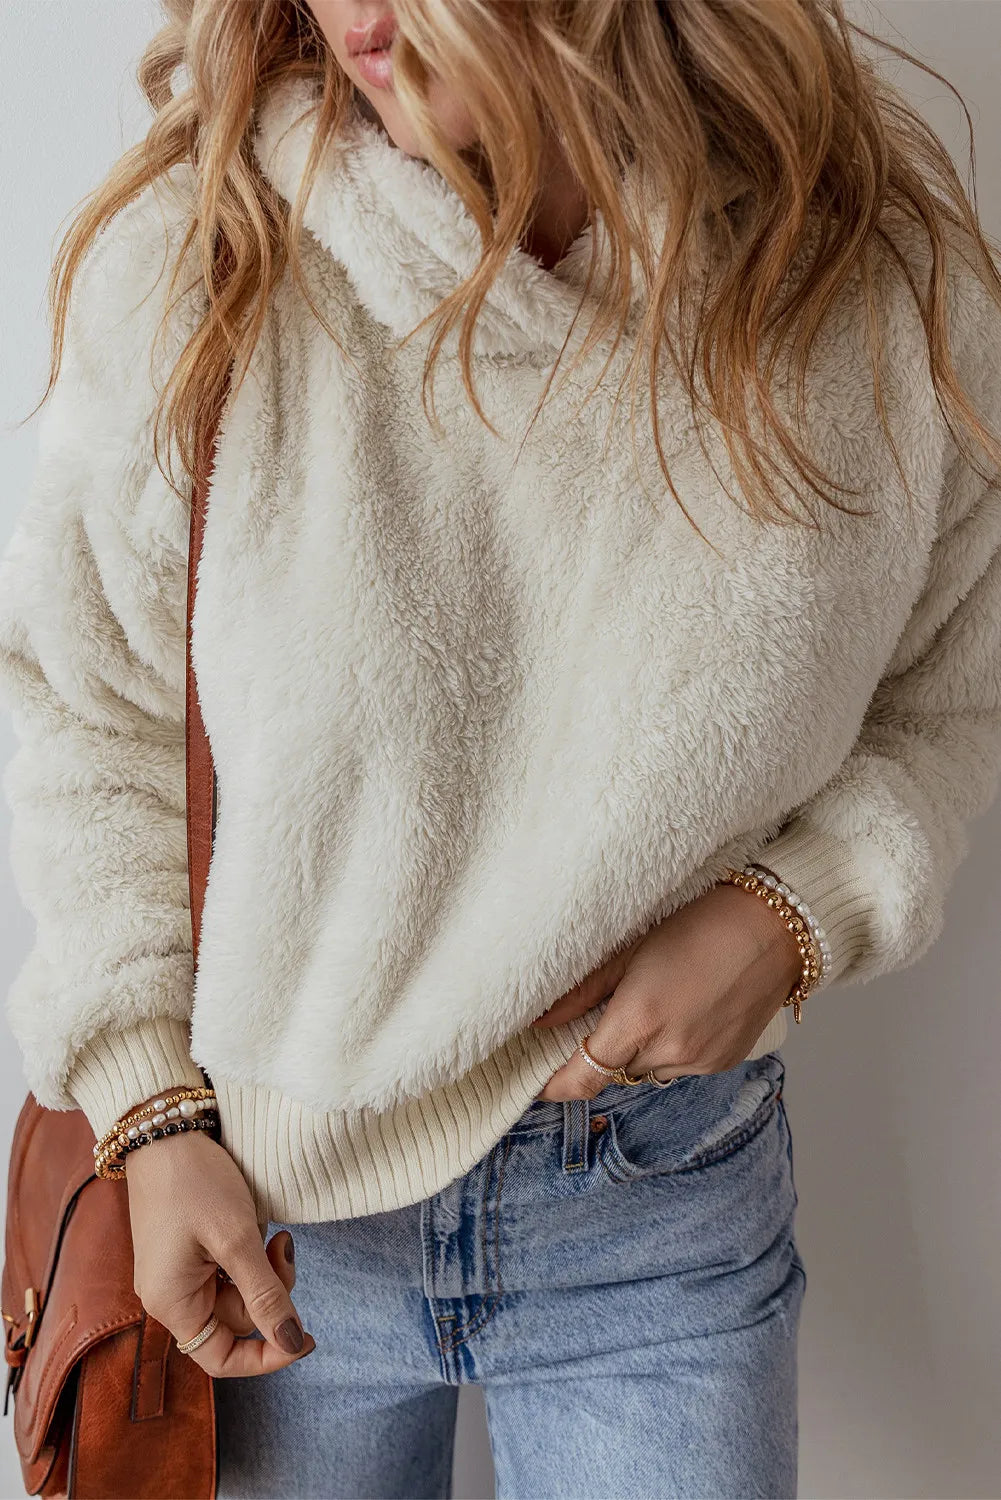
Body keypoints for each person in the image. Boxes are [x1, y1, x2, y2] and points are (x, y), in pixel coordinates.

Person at [3, 1, 1001, 1495]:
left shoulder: (854, 266)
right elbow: (92, 715)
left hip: (658, 1211)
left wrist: (796, 912)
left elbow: (953, 687)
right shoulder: (211, 249)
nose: (356, 14)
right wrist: (146, 1112)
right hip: (262, 1223)